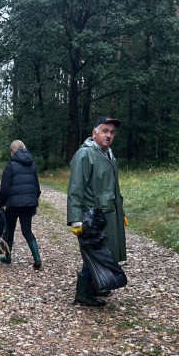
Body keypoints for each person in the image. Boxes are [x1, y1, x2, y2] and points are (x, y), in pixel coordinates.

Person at [67, 116, 128, 307]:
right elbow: (75, 189)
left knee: (104, 251)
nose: (108, 135)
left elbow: (114, 189)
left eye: (112, 132)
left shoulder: (109, 154)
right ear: (94, 132)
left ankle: (96, 285)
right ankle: (83, 293)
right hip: (90, 217)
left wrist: (121, 212)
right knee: (93, 253)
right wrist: (76, 219)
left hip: (109, 214)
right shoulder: (85, 155)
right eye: (104, 130)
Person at [0, 140, 42, 269]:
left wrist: (0, 202)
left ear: (13, 151)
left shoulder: (10, 165)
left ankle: (8, 257)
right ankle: (37, 259)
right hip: (28, 205)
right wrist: (32, 201)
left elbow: (5, 189)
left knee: (9, 231)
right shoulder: (32, 164)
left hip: (13, 205)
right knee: (27, 231)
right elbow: (37, 188)